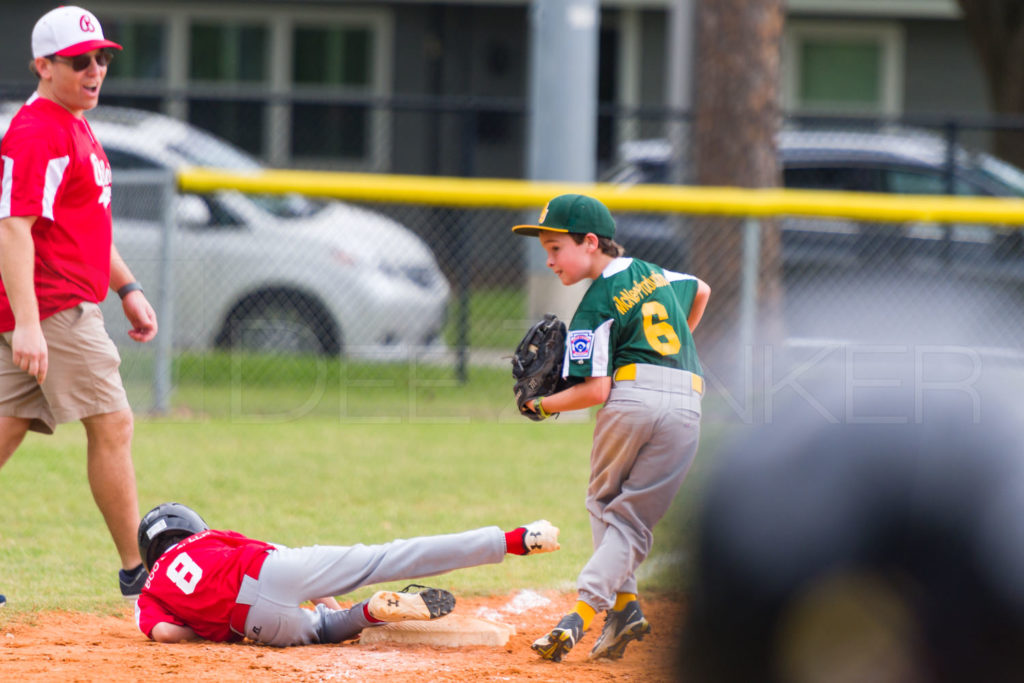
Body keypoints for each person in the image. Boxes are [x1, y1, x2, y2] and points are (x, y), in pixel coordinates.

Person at [0, 6, 157, 601]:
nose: (95, 71)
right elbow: (12, 228)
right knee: (114, 424)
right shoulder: (40, 130)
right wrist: (30, 326)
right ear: (43, 65)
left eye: (102, 59)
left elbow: (81, 223)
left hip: (57, 303)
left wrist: (127, 287)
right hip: (54, 307)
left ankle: (136, 570)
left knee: (6, 429)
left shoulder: (72, 122)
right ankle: (139, 573)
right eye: (79, 61)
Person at [510, 194, 710, 662]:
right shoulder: (656, 275)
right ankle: (625, 608)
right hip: (687, 400)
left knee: (605, 505)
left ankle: (580, 613)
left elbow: (595, 392)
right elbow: (700, 289)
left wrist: (539, 405)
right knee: (634, 518)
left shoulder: (594, 306)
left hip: (631, 400)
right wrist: (673, 347)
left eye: (556, 247)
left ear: (591, 242)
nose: (549, 259)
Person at [135, 502, 561, 646]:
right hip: (273, 568)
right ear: (188, 528)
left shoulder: (149, 594)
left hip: (250, 622)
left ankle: (367, 614)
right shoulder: (207, 539)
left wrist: (208, 629)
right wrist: (324, 590)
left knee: (325, 631)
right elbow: (271, 550)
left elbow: (166, 635)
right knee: (387, 556)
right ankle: (513, 539)